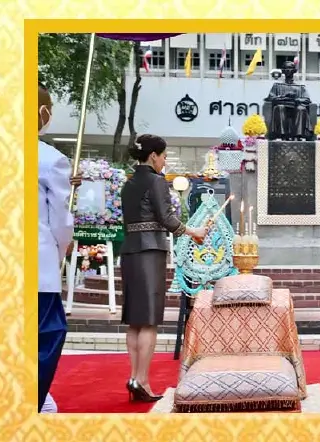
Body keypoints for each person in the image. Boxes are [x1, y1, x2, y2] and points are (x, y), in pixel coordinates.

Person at [120, 134, 208, 402]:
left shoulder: (128, 183)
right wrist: (194, 232)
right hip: (150, 252)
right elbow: (166, 218)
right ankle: (142, 381)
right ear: (153, 156)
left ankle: (134, 376)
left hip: (130, 250)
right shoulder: (156, 182)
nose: (165, 161)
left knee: (135, 320)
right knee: (149, 319)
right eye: (164, 156)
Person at [37, 84, 74, 413]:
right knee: (46, 334)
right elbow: (60, 220)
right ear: (42, 113)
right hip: (37, 264)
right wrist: (61, 250)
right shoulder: (50, 159)